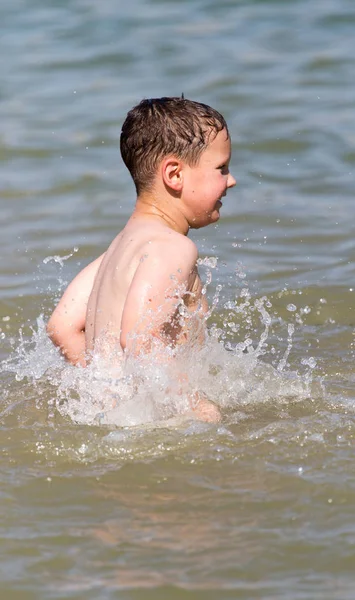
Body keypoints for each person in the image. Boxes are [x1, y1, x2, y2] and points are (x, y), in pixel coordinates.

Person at [47, 96, 236, 421]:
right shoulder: (174, 248)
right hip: (159, 427)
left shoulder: (118, 250)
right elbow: (140, 340)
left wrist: (108, 396)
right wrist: (200, 409)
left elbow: (61, 327)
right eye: (221, 168)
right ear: (174, 175)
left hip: (126, 424)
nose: (231, 180)